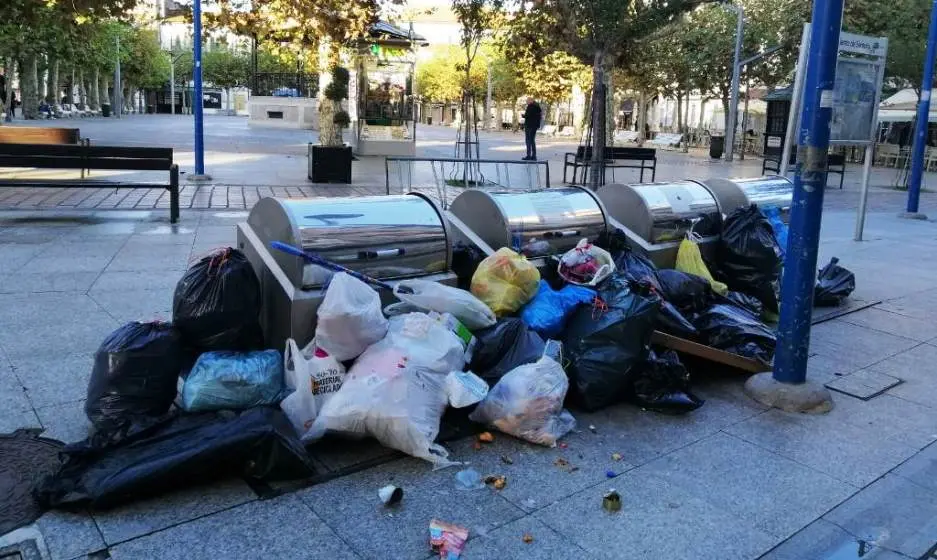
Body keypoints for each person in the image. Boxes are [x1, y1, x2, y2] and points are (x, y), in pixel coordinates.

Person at [522, 96, 542, 161]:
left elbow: (528, 115)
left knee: (528, 140)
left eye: (527, 101)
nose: (526, 102)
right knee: (532, 140)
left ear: (531, 101)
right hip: (534, 126)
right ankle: (534, 156)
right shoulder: (537, 107)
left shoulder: (531, 106)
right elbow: (538, 117)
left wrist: (523, 116)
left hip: (529, 126)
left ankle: (528, 155)